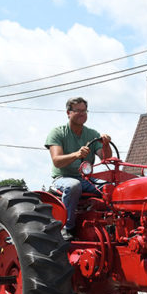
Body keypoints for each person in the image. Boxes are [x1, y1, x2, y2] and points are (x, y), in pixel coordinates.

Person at [45, 97, 112, 241]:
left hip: (86, 178)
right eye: (78, 111)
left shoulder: (92, 134)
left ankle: (111, 225)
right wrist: (76, 155)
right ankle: (66, 228)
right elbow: (57, 161)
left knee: (109, 188)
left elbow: (106, 158)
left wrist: (106, 144)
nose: (82, 114)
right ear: (68, 113)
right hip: (63, 178)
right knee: (73, 186)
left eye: (84, 111)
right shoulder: (58, 133)